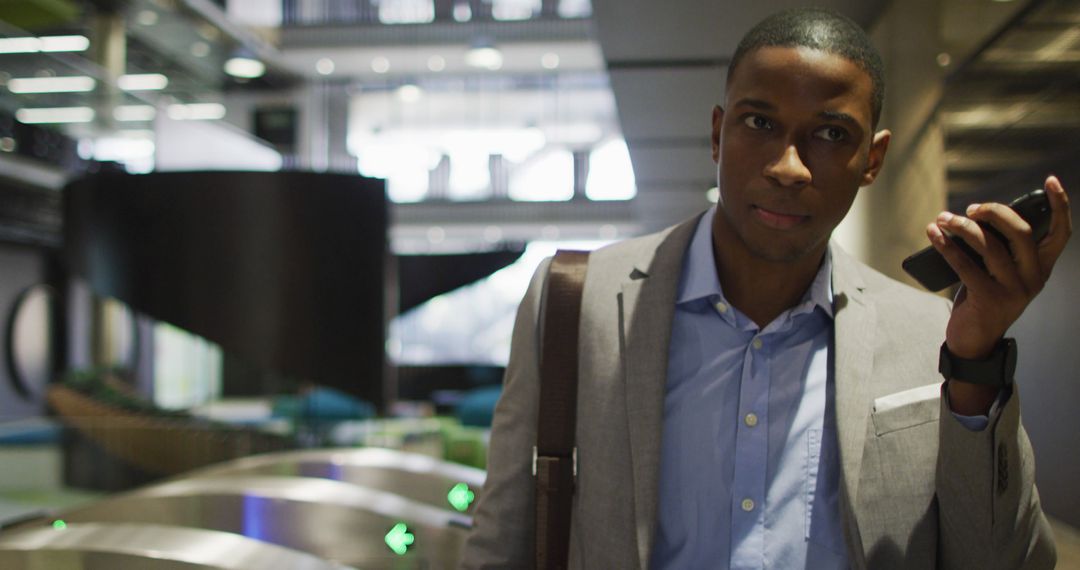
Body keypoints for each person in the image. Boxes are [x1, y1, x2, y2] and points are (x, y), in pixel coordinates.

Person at [461, 7, 1069, 569]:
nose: (788, 167)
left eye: (831, 134)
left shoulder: (931, 337)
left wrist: (976, 363)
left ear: (873, 160)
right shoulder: (578, 300)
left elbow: (1006, 560)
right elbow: (501, 540)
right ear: (719, 133)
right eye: (760, 123)